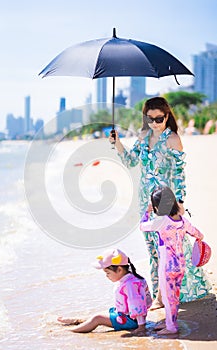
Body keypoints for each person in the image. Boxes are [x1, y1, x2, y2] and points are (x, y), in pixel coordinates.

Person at [109, 96, 210, 307]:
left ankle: (162, 297)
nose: (155, 122)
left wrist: (180, 201)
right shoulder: (143, 136)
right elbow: (130, 161)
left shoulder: (172, 139)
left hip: (165, 200)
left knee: (169, 248)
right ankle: (161, 291)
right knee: (152, 249)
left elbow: (179, 173)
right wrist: (117, 143)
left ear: (167, 116)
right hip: (145, 200)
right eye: (151, 118)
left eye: (159, 118)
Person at [140, 186, 205, 334]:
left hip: (167, 266)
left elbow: (142, 226)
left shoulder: (161, 221)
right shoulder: (183, 221)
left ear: (157, 206)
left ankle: (171, 327)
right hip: (180, 265)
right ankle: (170, 323)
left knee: (169, 299)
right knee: (174, 297)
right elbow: (199, 235)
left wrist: (147, 212)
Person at [57, 248, 152, 333]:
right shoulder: (130, 279)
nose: (107, 276)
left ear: (119, 269)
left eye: (108, 273)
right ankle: (76, 321)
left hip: (130, 321)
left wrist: (141, 327)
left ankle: (68, 331)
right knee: (97, 316)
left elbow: (137, 304)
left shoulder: (130, 284)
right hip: (127, 317)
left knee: (97, 318)